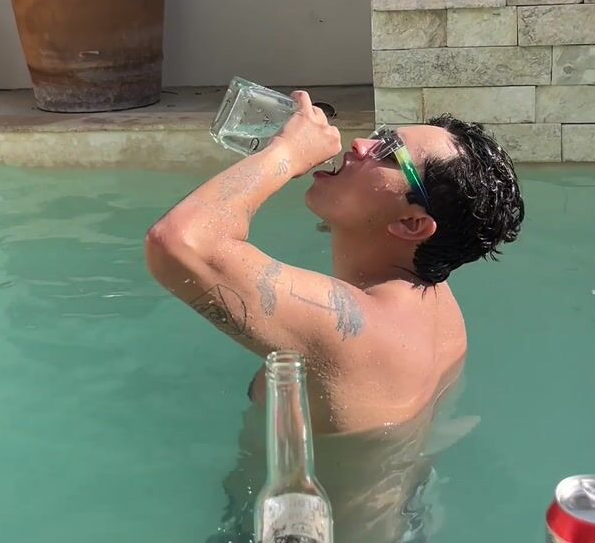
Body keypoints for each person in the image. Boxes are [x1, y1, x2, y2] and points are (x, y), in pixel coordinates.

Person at [145, 91, 524, 540]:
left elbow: (180, 243)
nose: (361, 144)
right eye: (380, 136)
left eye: (388, 153)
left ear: (412, 224)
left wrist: (286, 153)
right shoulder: (439, 306)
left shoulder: (353, 330)